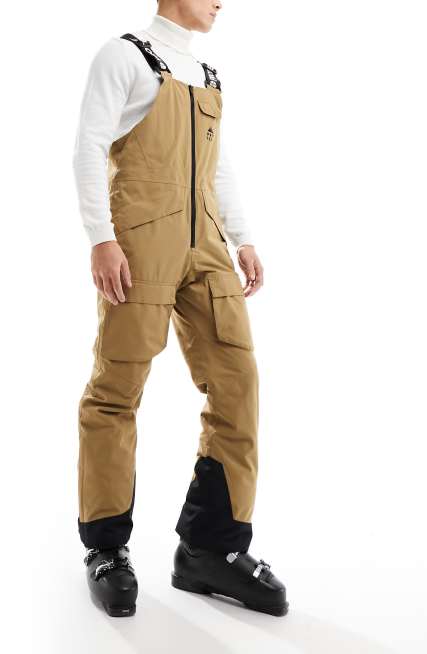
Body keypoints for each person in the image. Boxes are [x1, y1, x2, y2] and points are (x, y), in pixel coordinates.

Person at [72, 0, 288, 617]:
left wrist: (243, 238)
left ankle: (209, 549)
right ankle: (106, 548)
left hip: (207, 246)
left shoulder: (207, 74)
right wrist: (101, 238)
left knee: (237, 383)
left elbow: (218, 167)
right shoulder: (124, 55)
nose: (222, 2)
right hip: (142, 243)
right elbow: (89, 147)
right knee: (117, 389)